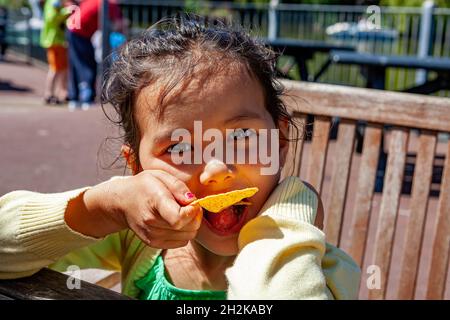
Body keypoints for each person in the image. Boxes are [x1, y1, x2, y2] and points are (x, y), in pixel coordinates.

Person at [0, 16, 360, 299]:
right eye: (179, 148)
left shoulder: (314, 267)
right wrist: (103, 208)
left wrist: (286, 216)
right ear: (138, 167)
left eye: (242, 137)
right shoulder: (138, 238)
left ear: (280, 140)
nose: (217, 169)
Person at [66, 0, 122, 111]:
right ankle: (87, 98)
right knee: (87, 65)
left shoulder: (99, 1)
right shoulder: (111, 4)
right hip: (79, 31)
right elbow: (118, 24)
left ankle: (75, 98)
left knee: (76, 64)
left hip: (73, 28)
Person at [40, 0, 71, 105]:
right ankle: (48, 94)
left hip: (60, 41)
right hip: (53, 41)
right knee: (54, 68)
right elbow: (51, 18)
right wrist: (67, 11)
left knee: (63, 68)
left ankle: (61, 93)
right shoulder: (53, 2)